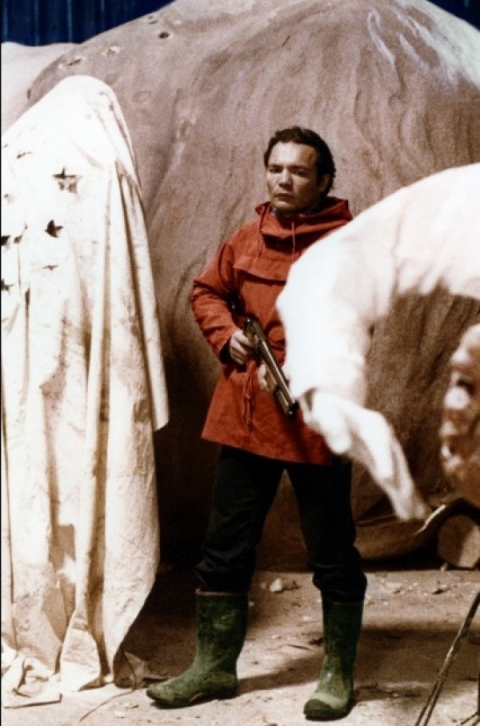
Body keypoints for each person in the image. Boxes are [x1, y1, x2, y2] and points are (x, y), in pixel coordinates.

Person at [146, 126, 367, 721]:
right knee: (224, 547)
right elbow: (206, 292)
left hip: (316, 416)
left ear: (324, 180)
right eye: (275, 169)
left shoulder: (350, 246)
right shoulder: (246, 238)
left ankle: (337, 673)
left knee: (332, 551)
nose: (284, 180)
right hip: (245, 416)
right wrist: (230, 338)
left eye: (299, 171)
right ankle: (214, 667)